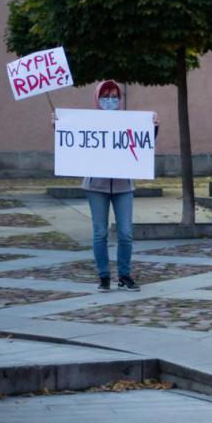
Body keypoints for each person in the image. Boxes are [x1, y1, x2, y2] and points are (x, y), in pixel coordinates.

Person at [77, 80, 158, 292]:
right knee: (100, 232)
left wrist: (153, 128)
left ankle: (124, 275)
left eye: (114, 97)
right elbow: (74, 140)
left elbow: (143, 143)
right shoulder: (87, 121)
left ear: (119, 100)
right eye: (105, 96)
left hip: (123, 186)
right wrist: (60, 126)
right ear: (97, 99)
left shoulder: (129, 121)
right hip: (96, 186)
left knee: (125, 232)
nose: (110, 100)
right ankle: (103, 276)